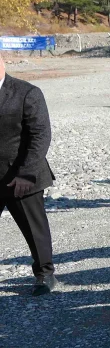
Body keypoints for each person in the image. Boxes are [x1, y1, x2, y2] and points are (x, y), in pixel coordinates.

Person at [0, 52, 56, 296]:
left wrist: (26, 174)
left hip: (20, 176)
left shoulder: (27, 92)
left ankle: (45, 274)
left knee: (34, 229)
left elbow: (40, 136)